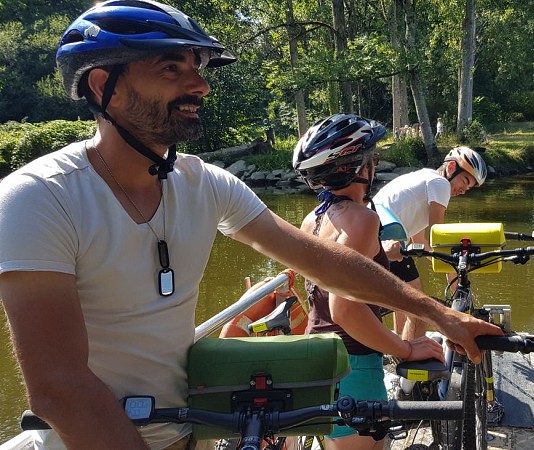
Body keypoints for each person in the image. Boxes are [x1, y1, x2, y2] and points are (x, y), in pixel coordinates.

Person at [0, 2, 501, 449]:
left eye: (197, 69)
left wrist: (443, 317)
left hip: (187, 426)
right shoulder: (41, 197)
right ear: (100, 85)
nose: (199, 84)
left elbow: (324, 262)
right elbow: (58, 384)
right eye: (171, 68)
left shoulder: (206, 184)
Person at [293, 114, 443, 450]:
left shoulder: (313, 218)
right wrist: (406, 348)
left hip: (323, 359)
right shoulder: (362, 219)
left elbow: (333, 292)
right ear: (358, 167)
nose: (374, 165)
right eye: (372, 158)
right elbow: (344, 307)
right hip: (354, 367)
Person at [373, 146, 488, 341]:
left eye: (469, 187)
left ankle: (401, 347)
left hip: (375, 238)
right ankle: (413, 356)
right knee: (420, 308)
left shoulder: (424, 179)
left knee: (402, 300)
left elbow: (423, 244)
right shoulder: (440, 184)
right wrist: (455, 282)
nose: (464, 190)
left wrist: (447, 268)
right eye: (465, 181)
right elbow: (440, 238)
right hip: (385, 242)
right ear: (451, 167)